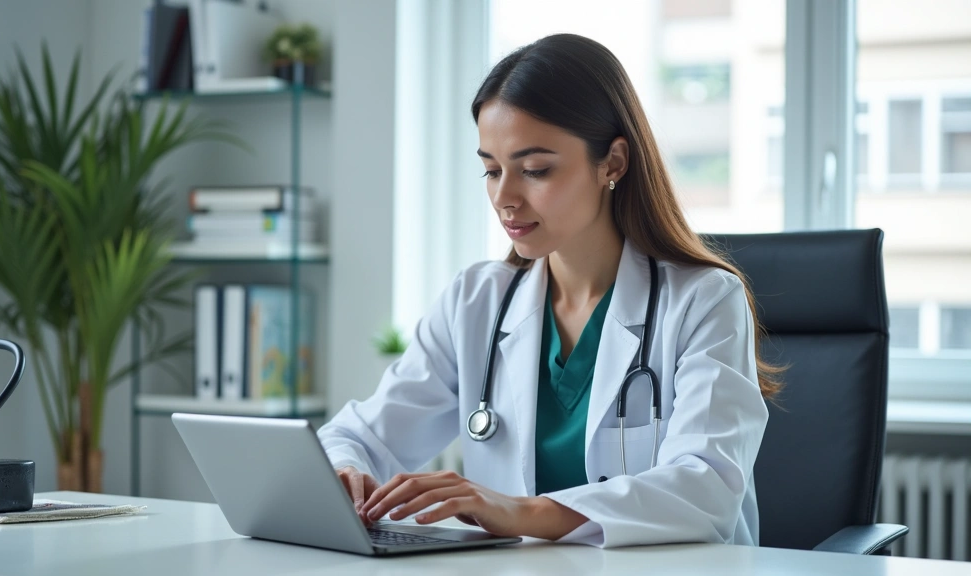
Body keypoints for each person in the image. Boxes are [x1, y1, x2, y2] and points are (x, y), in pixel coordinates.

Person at [317, 33, 779, 548]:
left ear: (614, 163)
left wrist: (518, 511)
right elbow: (358, 435)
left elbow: (706, 489)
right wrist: (345, 472)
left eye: (535, 170)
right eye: (491, 170)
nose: (504, 198)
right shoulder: (477, 302)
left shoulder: (704, 301)